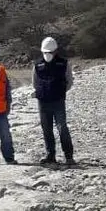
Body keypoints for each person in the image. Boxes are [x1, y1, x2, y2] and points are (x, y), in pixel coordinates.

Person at [32, 36, 75, 165]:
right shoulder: (37, 65)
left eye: (50, 52)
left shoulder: (64, 64)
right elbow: (35, 83)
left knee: (62, 128)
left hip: (58, 101)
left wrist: (59, 93)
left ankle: (69, 156)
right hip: (43, 102)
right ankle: (51, 155)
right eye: (45, 52)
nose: (48, 54)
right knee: (47, 129)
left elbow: (69, 82)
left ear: (56, 51)